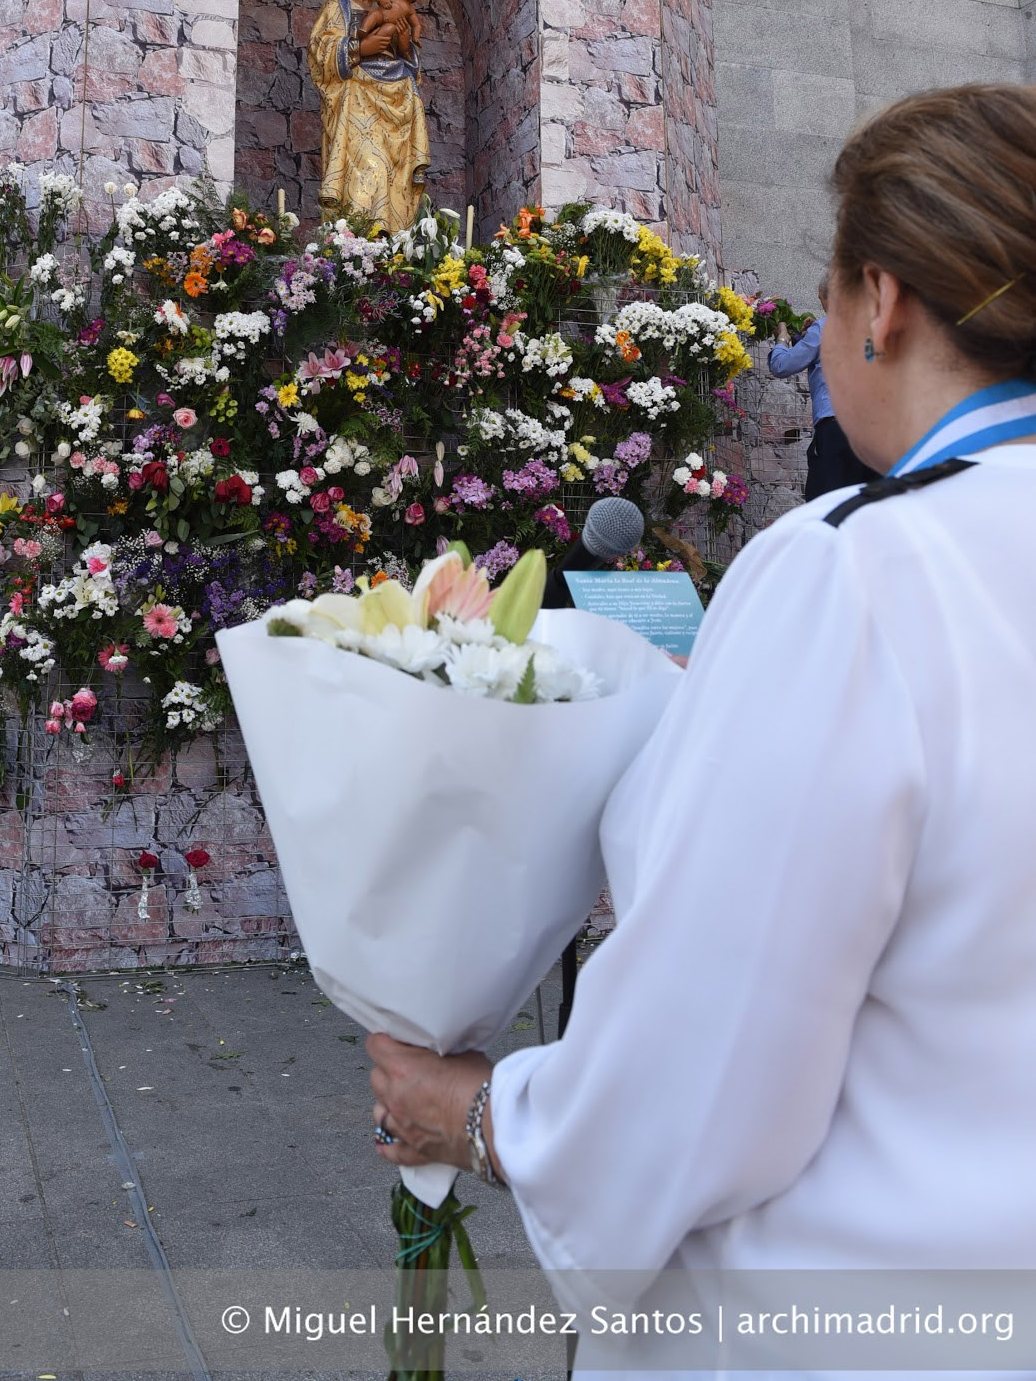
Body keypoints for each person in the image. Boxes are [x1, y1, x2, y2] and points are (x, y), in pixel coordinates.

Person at [366, 83, 1036, 1366]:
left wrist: (482, 1114)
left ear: (880, 301)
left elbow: (708, 1059)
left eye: (827, 298)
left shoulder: (859, 572)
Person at [307, 0, 431, 233]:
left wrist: (403, 45)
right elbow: (320, 55)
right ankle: (359, 240)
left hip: (396, 100)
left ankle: (394, 240)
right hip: (356, 102)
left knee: (391, 171)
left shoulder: (388, 6)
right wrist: (361, 47)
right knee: (369, 168)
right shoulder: (336, 9)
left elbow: (412, 61)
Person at [768, 273, 873, 499]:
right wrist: (804, 338)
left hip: (837, 431)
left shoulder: (824, 328)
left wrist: (783, 339)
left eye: (820, 299)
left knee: (825, 504)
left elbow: (782, 365)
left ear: (828, 297)